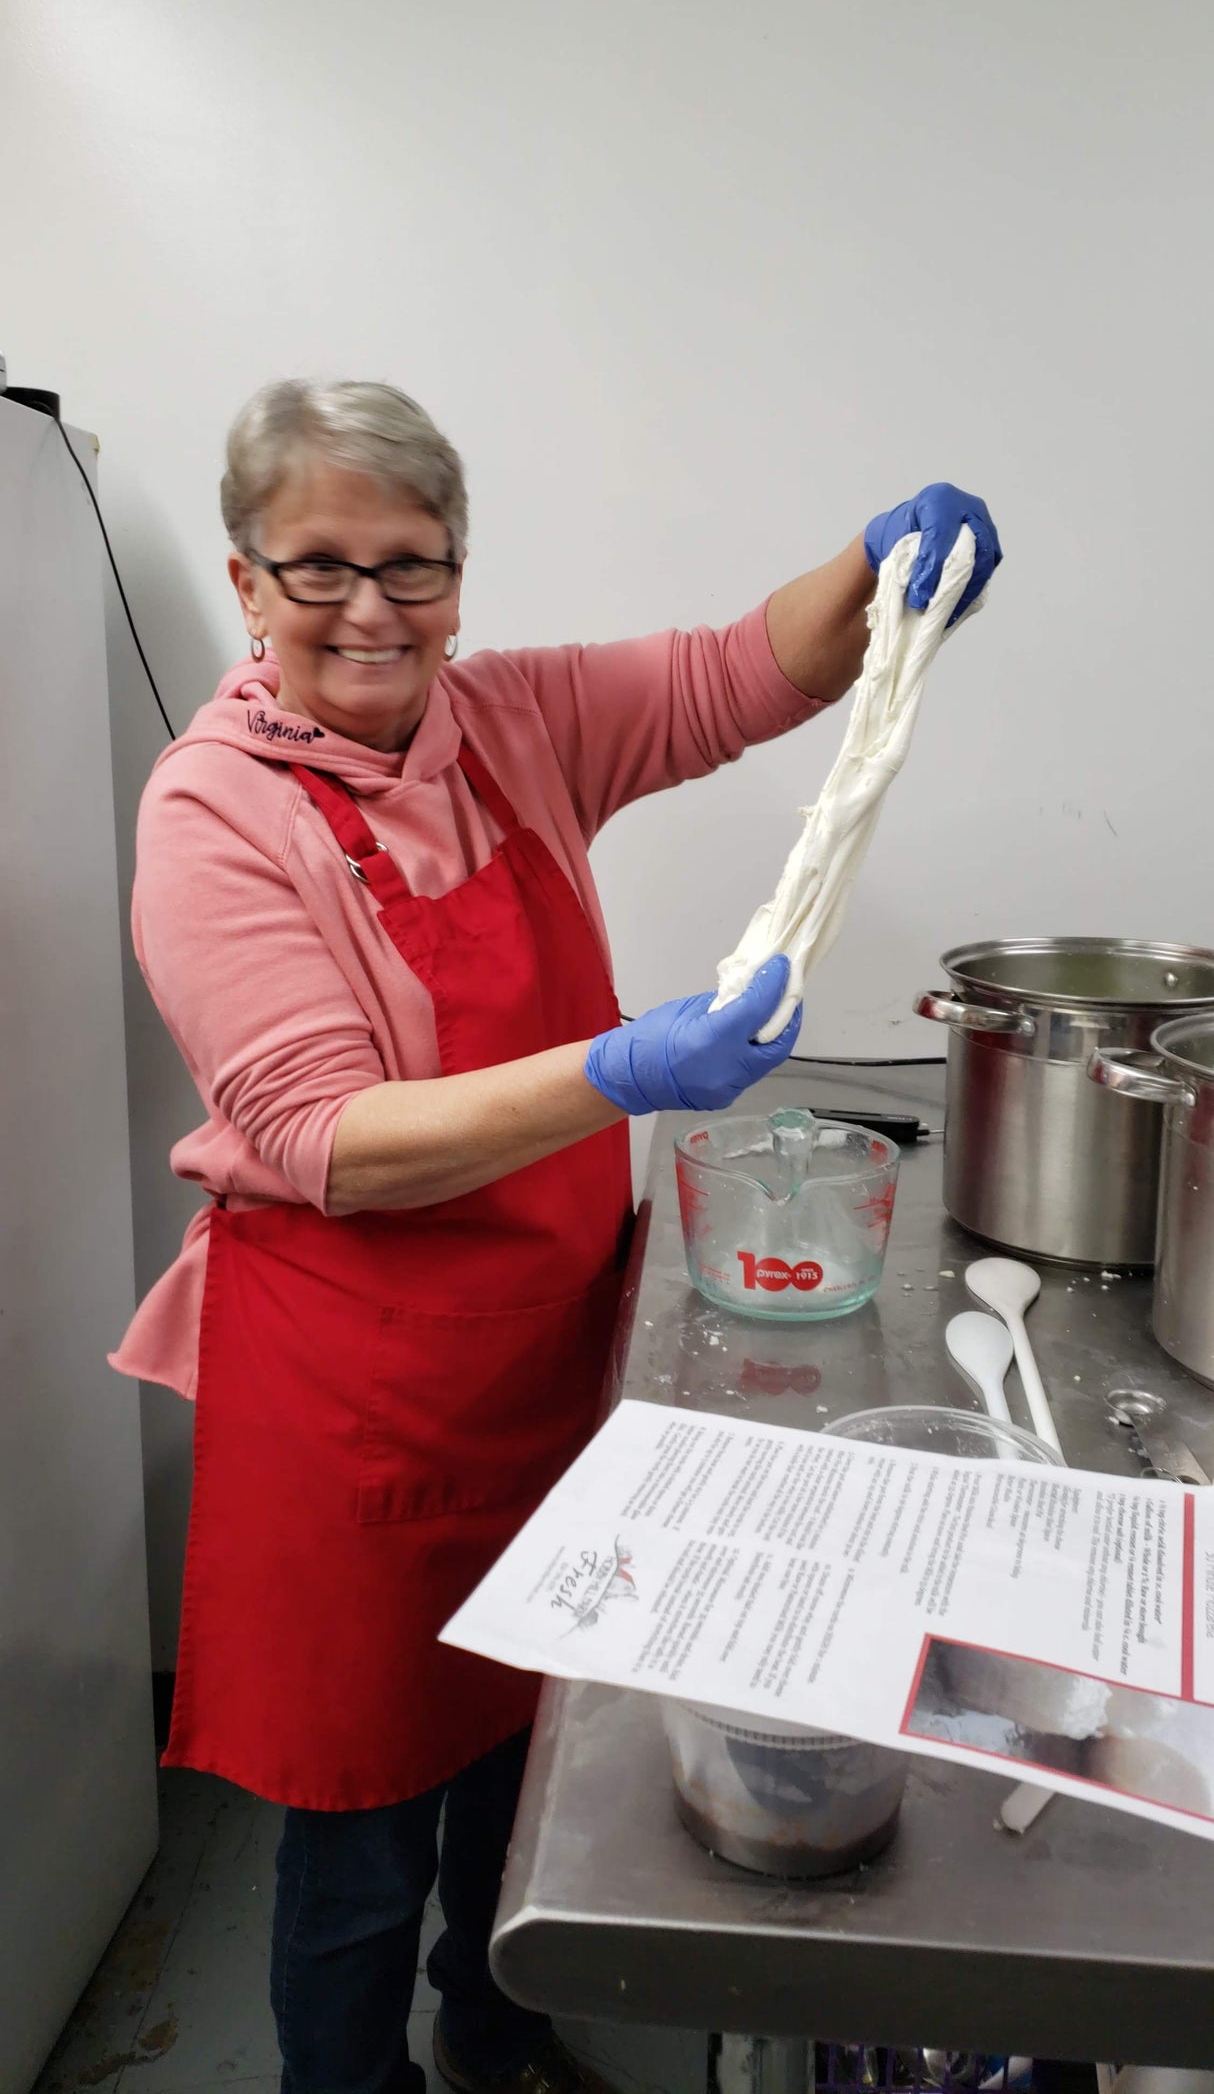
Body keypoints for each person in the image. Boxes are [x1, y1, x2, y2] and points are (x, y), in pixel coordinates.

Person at [112, 379, 1000, 2094]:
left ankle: (499, 2026)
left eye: (411, 565)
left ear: (456, 574)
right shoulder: (211, 811)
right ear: (244, 582)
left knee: (526, 1755)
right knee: (361, 1834)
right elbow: (320, 1138)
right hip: (353, 1399)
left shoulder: (503, 719)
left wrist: (878, 561)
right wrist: (619, 1069)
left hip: (541, 1356)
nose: (369, 610)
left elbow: (732, 674)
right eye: (318, 568)